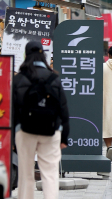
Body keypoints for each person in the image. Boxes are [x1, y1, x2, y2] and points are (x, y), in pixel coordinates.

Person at [13, 41, 69, 199]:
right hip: (51, 130)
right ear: (43, 55)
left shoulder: (19, 79)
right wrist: (64, 137)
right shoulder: (53, 77)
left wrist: (12, 137)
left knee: (26, 174)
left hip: (24, 131)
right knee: (50, 174)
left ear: (26, 55)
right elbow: (63, 109)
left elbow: (13, 110)